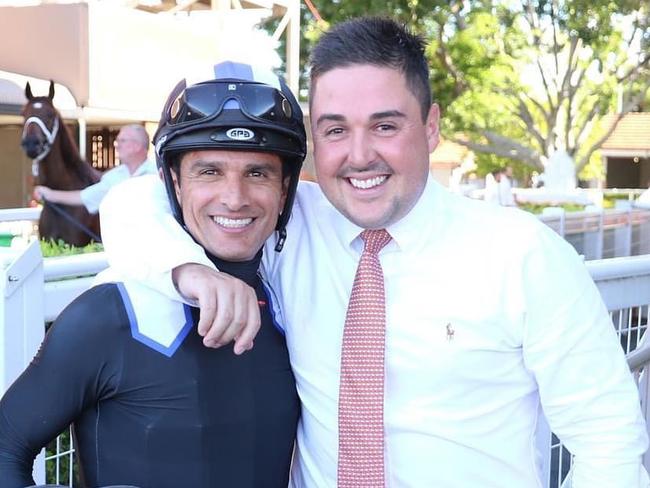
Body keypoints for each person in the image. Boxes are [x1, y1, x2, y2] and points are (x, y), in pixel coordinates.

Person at [99, 18, 649, 487]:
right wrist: (191, 272)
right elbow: (132, 203)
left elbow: (609, 441)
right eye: (334, 131)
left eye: (385, 126)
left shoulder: (523, 255)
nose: (359, 156)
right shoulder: (292, 226)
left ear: (431, 128)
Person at [0, 61, 304, 488]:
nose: (234, 198)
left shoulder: (297, 302)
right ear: (173, 184)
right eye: (209, 171)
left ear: (285, 189)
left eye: (258, 172)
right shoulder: (106, 315)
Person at [33, 124, 157, 213]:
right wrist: (49, 194)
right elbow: (83, 197)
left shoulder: (159, 174)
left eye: (122, 140)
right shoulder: (113, 177)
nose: (117, 145)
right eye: (117, 140)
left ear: (137, 146)